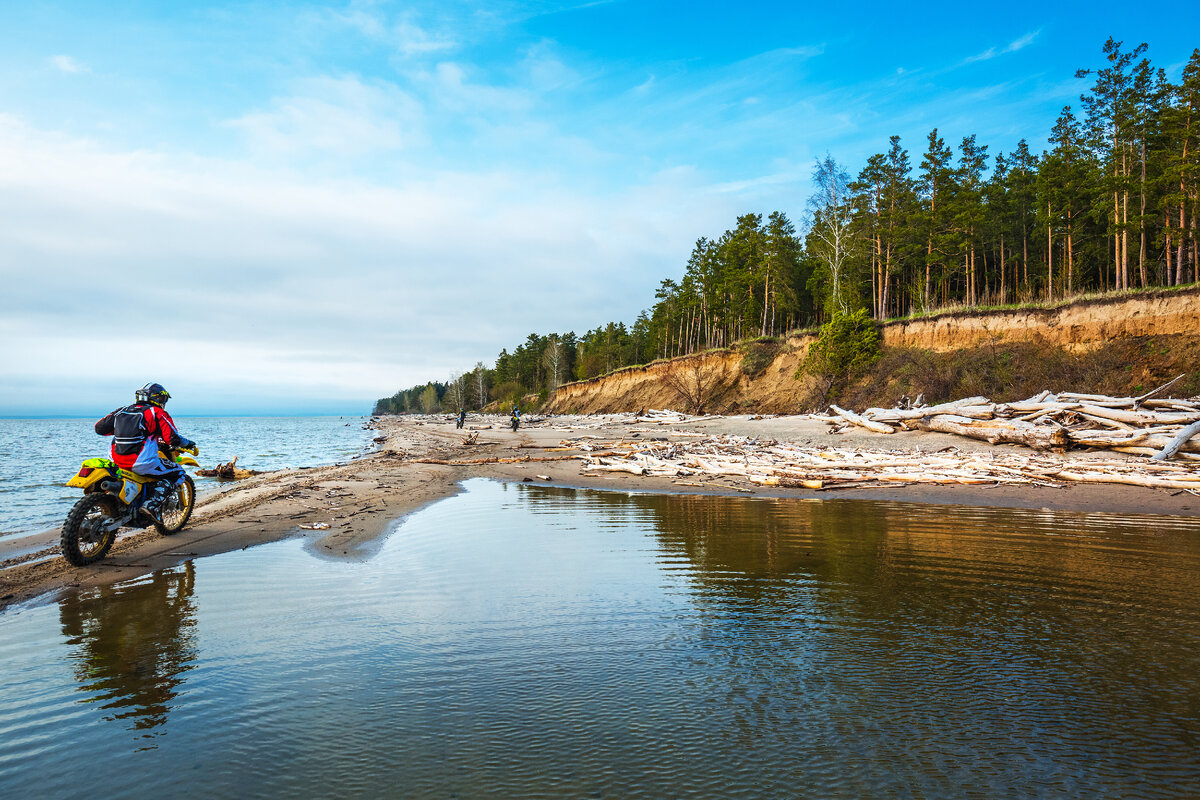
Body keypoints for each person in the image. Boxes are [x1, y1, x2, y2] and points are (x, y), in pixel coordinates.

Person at [95, 383, 197, 522]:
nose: (164, 403)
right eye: (163, 399)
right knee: (178, 472)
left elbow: (99, 428)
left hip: (116, 460)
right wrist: (189, 443)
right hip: (141, 462)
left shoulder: (122, 411)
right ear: (157, 398)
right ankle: (151, 505)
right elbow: (172, 438)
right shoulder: (156, 412)